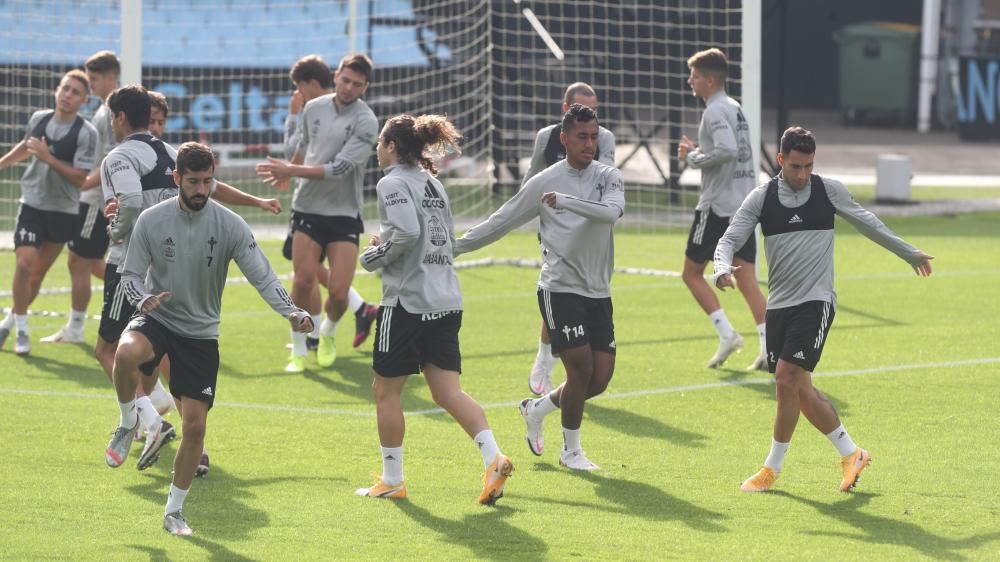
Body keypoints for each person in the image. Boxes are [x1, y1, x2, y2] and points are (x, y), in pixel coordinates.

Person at [105, 141, 312, 535]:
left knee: (195, 428)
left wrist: (292, 311)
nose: (202, 189)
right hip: (158, 317)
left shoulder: (230, 224)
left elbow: (263, 276)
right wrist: (143, 299)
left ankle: (174, 512)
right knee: (126, 352)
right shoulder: (151, 219)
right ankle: (128, 421)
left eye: (208, 181)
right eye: (194, 181)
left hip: (200, 333)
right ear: (177, 178)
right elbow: (129, 276)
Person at [712, 127, 934, 493]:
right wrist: (721, 268)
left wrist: (909, 253)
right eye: (795, 166)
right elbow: (730, 239)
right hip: (779, 306)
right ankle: (852, 453)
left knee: (785, 378)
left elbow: (869, 223)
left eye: (809, 167)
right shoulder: (761, 198)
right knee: (798, 390)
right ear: (780, 160)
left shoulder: (828, 190)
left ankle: (771, 469)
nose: (802, 176)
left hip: (816, 301)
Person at [97, 85, 280, 471]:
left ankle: (147, 419)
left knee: (110, 350)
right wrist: (257, 200)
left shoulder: (119, 156)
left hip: (131, 262)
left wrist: (115, 227)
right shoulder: (170, 152)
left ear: (119, 118)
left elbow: (129, 204)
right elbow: (208, 187)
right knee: (167, 358)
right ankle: (189, 445)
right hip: (168, 267)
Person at [456, 104, 625, 471]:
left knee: (599, 379)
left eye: (594, 136)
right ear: (564, 139)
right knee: (579, 369)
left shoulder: (609, 176)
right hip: (559, 286)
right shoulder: (545, 181)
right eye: (582, 137)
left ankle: (536, 409)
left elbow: (611, 213)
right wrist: (455, 246)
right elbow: (501, 220)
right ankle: (571, 452)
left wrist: (567, 202)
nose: (589, 144)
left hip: (598, 290)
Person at [356, 113, 513, 503]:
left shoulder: (391, 181)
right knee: (447, 391)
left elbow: (408, 234)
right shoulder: (433, 184)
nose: (378, 147)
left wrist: (374, 255)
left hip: (408, 302)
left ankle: (393, 480)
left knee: (385, 391)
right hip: (446, 299)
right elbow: (429, 236)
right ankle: (493, 458)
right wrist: (390, 240)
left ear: (392, 146)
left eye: (381, 141)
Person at [256, 53, 379, 372]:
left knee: (338, 293)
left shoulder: (366, 121)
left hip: (343, 213)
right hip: (306, 207)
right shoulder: (312, 109)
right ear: (336, 76)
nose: (349, 87)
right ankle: (298, 349)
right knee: (302, 280)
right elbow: (302, 148)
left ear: (365, 88)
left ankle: (327, 332)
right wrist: (287, 173)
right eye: (345, 79)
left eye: (357, 84)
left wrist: (292, 168)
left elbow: (338, 169)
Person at [677, 48, 768, 371]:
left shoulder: (715, 111)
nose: (690, 81)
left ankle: (727, 333)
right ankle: (770, 346)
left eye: (696, 76)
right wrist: (702, 151)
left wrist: (692, 157)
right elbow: (730, 149)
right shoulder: (735, 107)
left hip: (717, 206)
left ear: (710, 80)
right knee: (747, 280)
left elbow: (727, 150)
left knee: (691, 273)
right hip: (743, 203)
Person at [522, 82, 616, 396]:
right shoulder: (545, 138)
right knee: (559, 287)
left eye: (596, 108)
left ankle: (561, 374)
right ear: (566, 109)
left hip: (591, 232)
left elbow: (609, 181)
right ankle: (544, 361)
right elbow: (532, 178)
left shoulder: (604, 139)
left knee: (580, 301)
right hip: (556, 230)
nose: (592, 116)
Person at [0, 69, 98, 356]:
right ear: (57, 90)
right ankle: (24, 329)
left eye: (75, 92)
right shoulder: (39, 119)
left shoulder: (86, 133)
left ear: (85, 100)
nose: (67, 95)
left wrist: (48, 158)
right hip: (32, 203)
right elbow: (26, 146)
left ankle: (7, 324)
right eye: (65, 89)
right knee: (23, 264)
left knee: (37, 274)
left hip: (64, 211)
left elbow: (80, 179)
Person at [41, 52, 119, 344]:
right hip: (94, 195)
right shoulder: (105, 107)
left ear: (112, 76)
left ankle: (76, 327)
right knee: (84, 261)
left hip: (97, 197)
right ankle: (135, 291)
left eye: (95, 79)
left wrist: (88, 181)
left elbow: (113, 155)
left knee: (80, 261)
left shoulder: (112, 110)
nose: (91, 83)